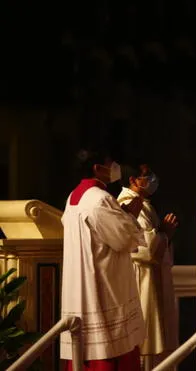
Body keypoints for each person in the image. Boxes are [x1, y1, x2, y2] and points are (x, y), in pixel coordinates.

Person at [60, 149, 146, 370]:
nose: (115, 166)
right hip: (101, 285)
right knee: (108, 349)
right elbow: (125, 239)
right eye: (110, 162)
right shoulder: (100, 198)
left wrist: (122, 215)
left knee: (84, 345)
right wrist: (131, 215)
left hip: (80, 286)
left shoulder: (73, 197)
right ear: (97, 168)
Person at [118, 164, 179, 370]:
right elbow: (144, 249)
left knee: (155, 342)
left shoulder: (143, 205)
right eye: (146, 176)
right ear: (133, 181)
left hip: (150, 278)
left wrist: (161, 234)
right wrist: (165, 234)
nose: (152, 179)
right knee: (145, 342)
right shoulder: (128, 205)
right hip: (140, 279)